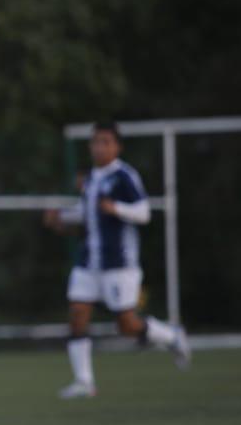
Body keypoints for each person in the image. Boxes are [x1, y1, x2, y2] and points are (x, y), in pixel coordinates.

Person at [44, 121, 190, 399]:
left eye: (105, 141)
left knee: (126, 325)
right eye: (95, 141)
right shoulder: (90, 179)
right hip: (89, 261)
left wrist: (116, 207)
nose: (99, 147)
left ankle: (172, 336)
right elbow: (87, 214)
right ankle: (84, 381)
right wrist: (60, 218)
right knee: (77, 314)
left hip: (119, 262)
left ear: (117, 146)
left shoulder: (124, 175)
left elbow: (144, 212)